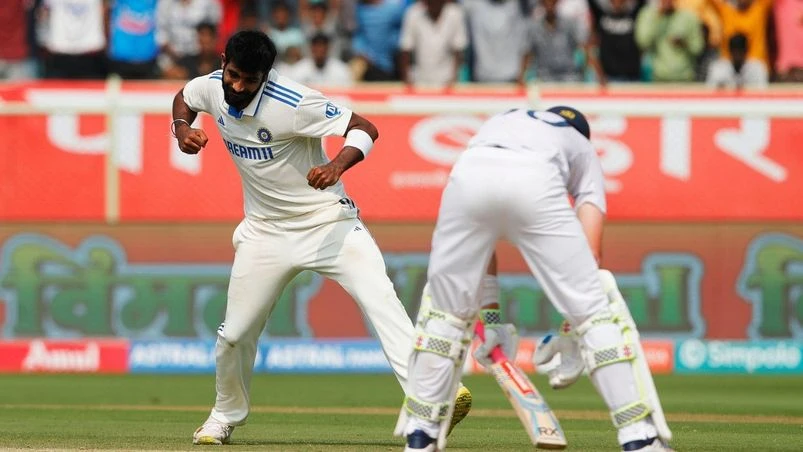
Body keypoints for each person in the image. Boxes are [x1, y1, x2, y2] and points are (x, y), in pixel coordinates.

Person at [170, 30, 471, 446]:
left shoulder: (293, 102)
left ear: (265, 76)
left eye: (248, 80)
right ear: (224, 63)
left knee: (380, 300)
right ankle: (224, 415)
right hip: (265, 232)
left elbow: (365, 128)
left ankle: (433, 399)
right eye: (233, 76)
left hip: (328, 221)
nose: (237, 87)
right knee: (235, 335)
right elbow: (185, 95)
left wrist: (336, 166)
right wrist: (181, 127)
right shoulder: (212, 86)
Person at [398, 106, 673, 451]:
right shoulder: (582, 146)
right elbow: (591, 256)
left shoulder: (503, 122)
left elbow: (482, 253)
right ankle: (639, 439)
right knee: (596, 312)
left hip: (468, 172)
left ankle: (420, 436)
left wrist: (492, 319)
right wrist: (574, 329)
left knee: (446, 316)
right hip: (535, 178)